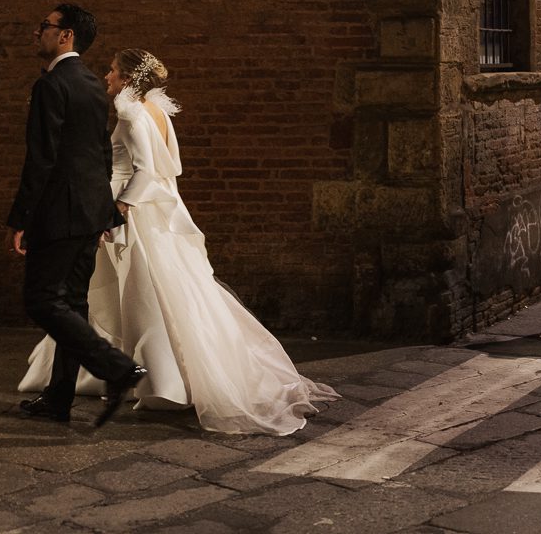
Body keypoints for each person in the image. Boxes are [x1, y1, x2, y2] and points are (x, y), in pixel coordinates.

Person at [19, 49, 338, 435]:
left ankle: (152, 378)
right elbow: (175, 166)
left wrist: (118, 207)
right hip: (153, 214)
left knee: (139, 295)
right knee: (147, 293)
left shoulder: (131, 113)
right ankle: (121, 371)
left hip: (131, 215)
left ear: (128, 78)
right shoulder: (159, 113)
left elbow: (147, 171)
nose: (106, 76)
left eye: (113, 71)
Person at [7, 4, 145, 427]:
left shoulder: (52, 85)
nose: (37, 33)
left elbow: (42, 158)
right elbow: (102, 154)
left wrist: (22, 218)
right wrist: (104, 211)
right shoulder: (90, 84)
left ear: (65, 35)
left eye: (44, 26)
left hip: (60, 215)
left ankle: (117, 369)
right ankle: (59, 398)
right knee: (73, 304)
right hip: (90, 214)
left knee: (42, 300)